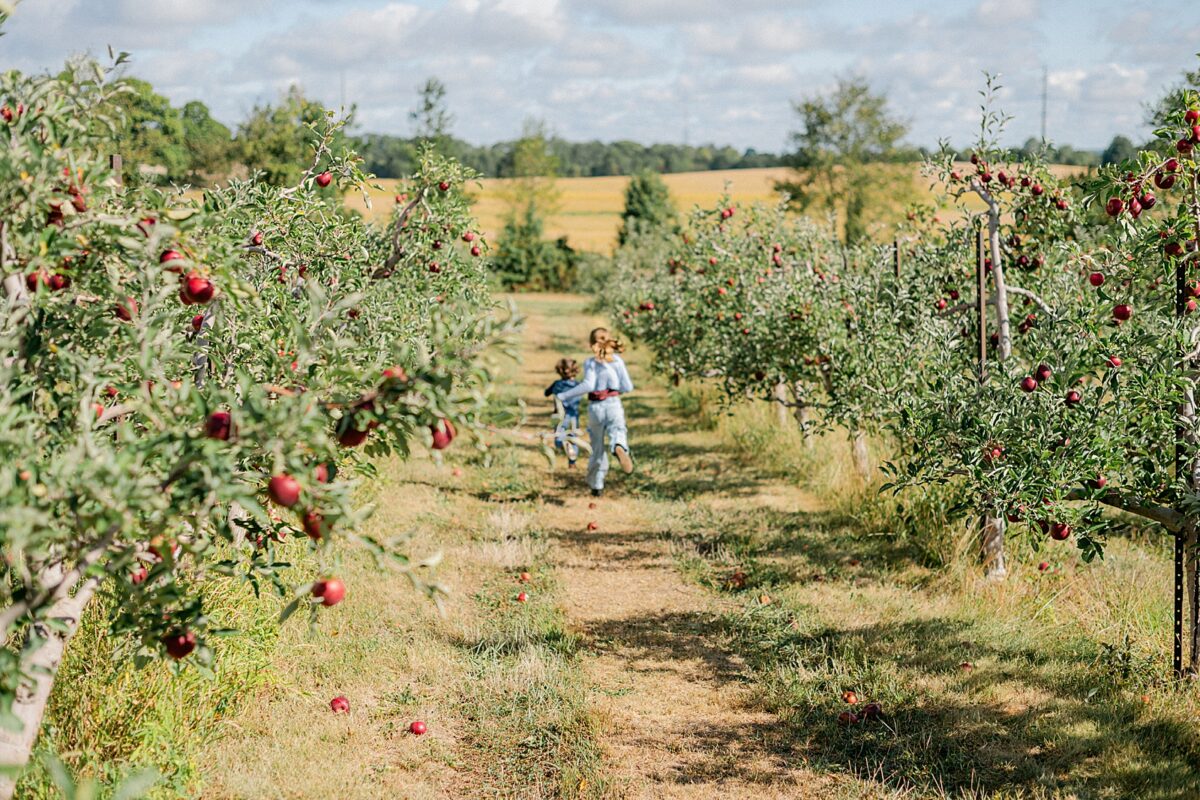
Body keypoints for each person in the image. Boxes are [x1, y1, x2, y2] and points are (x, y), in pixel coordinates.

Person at [556, 327, 634, 497]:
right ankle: (619, 446)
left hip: (596, 407)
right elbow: (627, 387)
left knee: (597, 446)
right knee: (618, 431)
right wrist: (614, 389)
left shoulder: (591, 362)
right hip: (613, 404)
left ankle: (596, 485)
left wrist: (564, 395)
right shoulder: (617, 361)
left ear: (592, 343)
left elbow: (589, 385)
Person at [544, 358, 582, 468]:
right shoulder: (579, 385)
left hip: (559, 415)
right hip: (573, 416)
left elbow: (546, 393)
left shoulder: (557, 384)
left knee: (558, 437)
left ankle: (563, 444)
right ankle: (572, 463)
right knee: (573, 436)